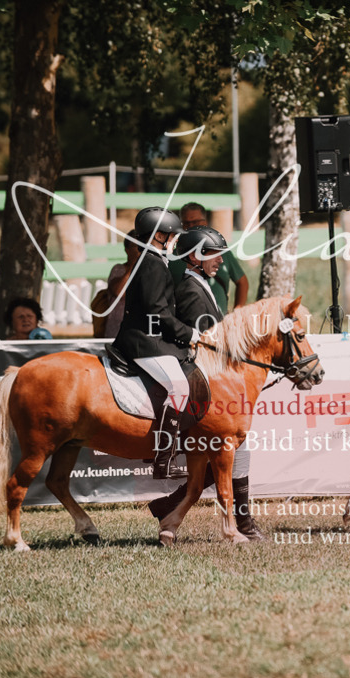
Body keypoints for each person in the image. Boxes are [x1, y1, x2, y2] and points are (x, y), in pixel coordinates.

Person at [147, 226, 262, 540]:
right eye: (214, 254)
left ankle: (172, 506)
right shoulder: (190, 289)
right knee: (234, 448)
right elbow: (208, 342)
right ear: (194, 256)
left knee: (238, 450)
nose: (221, 261)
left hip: (211, 373)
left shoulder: (201, 284)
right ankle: (241, 523)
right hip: (202, 377)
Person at [113, 206, 200, 479]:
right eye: (172, 235)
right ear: (159, 235)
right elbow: (157, 311)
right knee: (179, 387)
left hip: (151, 337)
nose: (175, 240)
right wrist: (189, 333)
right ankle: (163, 459)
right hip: (142, 341)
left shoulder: (152, 260)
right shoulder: (151, 262)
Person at [168, 202, 249, 314]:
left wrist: (237, 313)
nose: (191, 226)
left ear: (205, 222)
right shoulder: (172, 256)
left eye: (195, 222)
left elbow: (242, 282)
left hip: (220, 321)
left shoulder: (223, 253)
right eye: (186, 223)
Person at [100, 230, 144, 338]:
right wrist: (134, 266)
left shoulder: (149, 271)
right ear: (127, 250)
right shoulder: (118, 270)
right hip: (117, 332)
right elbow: (119, 292)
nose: (140, 250)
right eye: (136, 246)